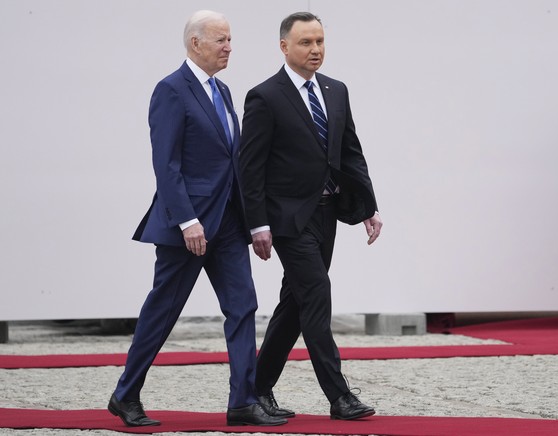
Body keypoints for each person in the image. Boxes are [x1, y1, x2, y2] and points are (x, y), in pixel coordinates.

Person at [107, 10, 286, 428]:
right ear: (196, 43)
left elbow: (234, 163)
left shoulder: (222, 91)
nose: (229, 47)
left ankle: (242, 400)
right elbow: (166, 165)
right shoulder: (171, 90)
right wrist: (187, 220)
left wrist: (256, 222)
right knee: (162, 312)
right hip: (187, 227)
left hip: (227, 224)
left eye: (230, 39)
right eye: (221, 40)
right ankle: (125, 394)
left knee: (243, 306)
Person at [240, 12, 383, 421]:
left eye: (320, 41)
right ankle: (339, 397)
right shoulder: (264, 96)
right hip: (286, 220)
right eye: (305, 42)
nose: (315, 49)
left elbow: (350, 152)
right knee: (317, 294)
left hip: (327, 214)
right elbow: (249, 167)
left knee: (295, 303)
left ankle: (257, 387)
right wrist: (258, 223)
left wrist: (369, 206)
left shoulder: (336, 91)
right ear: (284, 47)